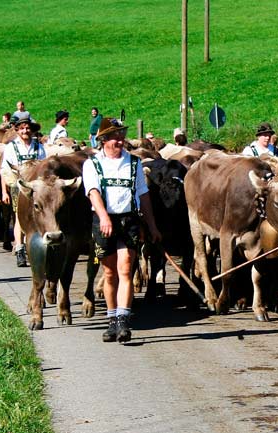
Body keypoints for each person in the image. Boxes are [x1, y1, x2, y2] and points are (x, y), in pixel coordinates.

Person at [82, 117, 162, 343]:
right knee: (109, 273)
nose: (119, 140)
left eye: (121, 135)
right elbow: (93, 192)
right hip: (104, 220)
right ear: (104, 139)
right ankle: (111, 319)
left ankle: (123, 320)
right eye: (115, 136)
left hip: (129, 220)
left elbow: (143, 195)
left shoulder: (134, 163)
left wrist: (152, 225)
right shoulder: (92, 164)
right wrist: (104, 217)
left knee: (125, 269)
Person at [0, 117, 47, 267]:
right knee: (20, 218)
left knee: (35, 217)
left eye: (27, 128)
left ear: (32, 130)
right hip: (18, 186)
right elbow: (4, 171)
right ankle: (19, 248)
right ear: (17, 130)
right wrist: (4, 192)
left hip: (36, 187)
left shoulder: (39, 147)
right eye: (22, 128)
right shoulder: (11, 147)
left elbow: (44, 167)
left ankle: (32, 248)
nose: (25, 131)